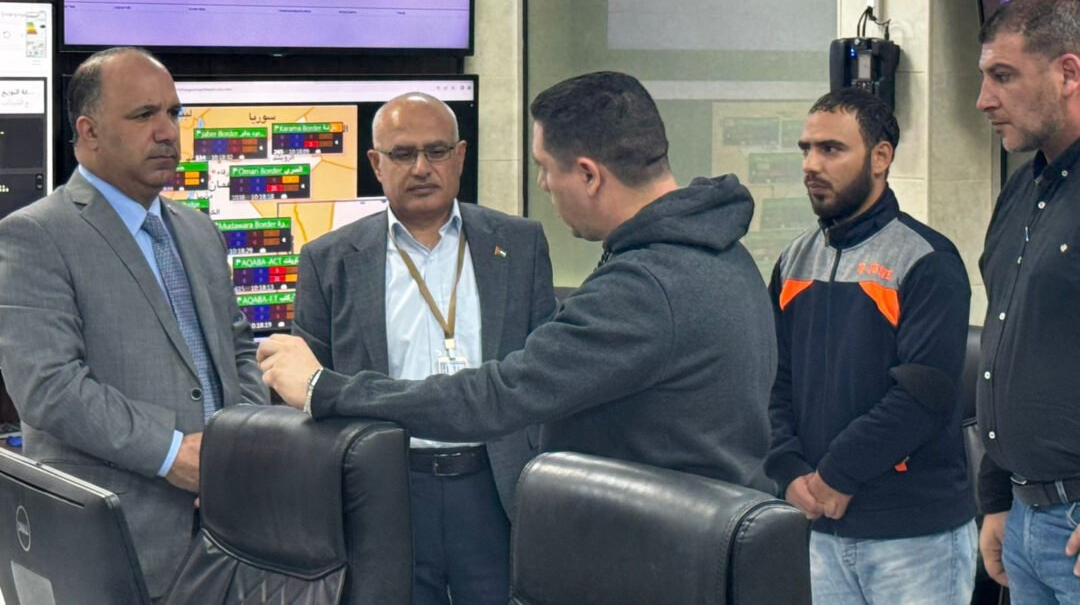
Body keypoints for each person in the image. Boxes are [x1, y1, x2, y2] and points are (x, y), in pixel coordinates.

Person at [259, 70, 776, 495]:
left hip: (653, 555)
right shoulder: (722, 251)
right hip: (691, 543)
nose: (544, 184)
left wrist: (324, 387)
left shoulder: (643, 288)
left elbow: (498, 396)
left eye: (546, 169)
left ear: (589, 175)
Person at [0, 47, 268, 600]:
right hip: (114, 545)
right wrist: (172, 454)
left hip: (231, 534)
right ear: (89, 131)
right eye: (145, 115)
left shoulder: (197, 231)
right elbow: (50, 387)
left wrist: (237, 450)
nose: (167, 131)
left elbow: (238, 351)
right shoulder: (35, 236)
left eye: (174, 113)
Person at [291, 92, 556, 605]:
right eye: (402, 154)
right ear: (376, 164)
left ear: (460, 157)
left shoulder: (519, 244)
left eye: (436, 151)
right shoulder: (329, 260)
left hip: (496, 485)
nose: (421, 168)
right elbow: (310, 392)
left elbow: (545, 377)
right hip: (386, 490)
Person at [766, 88, 976, 604]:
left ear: (880, 157)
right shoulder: (793, 261)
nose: (811, 165)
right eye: (806, 149)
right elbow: (772, 382)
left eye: (831, 149)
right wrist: (789, 471)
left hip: (915, 538)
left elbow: (923, 396)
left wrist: (836, 475)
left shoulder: (927, 261)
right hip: (817, 526)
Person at [975, 0, 1080, 602]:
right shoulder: (1020, 191)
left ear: (1068, 73)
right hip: (1023, 517)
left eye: (1003, 76)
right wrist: (997, 497)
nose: (983, 99)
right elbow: (1006, 344)